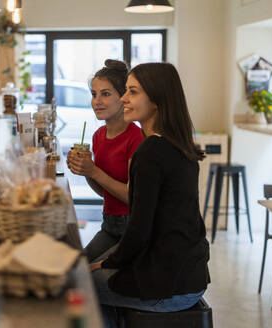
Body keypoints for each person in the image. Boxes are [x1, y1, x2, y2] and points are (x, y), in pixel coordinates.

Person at [89, 62, 210, 327]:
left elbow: (139, 229)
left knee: (77, 286)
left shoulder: (150, 152)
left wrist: (107, 263)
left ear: (156, 99)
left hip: (169, 285)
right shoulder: (176, 144)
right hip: (190, 275)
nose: (123, 98)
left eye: (132, 92)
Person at [66, 59, 144, 263]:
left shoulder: (136, 138)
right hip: (109, 224)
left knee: (93, 276)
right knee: (79, 266)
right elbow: (105, 192)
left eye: (106, 94)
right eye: (94, 94)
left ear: (124, 97)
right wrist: (84, 170)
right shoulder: (98, 136)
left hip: (133, 228)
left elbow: (132, 197)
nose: (96, 101)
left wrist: (93, 172)